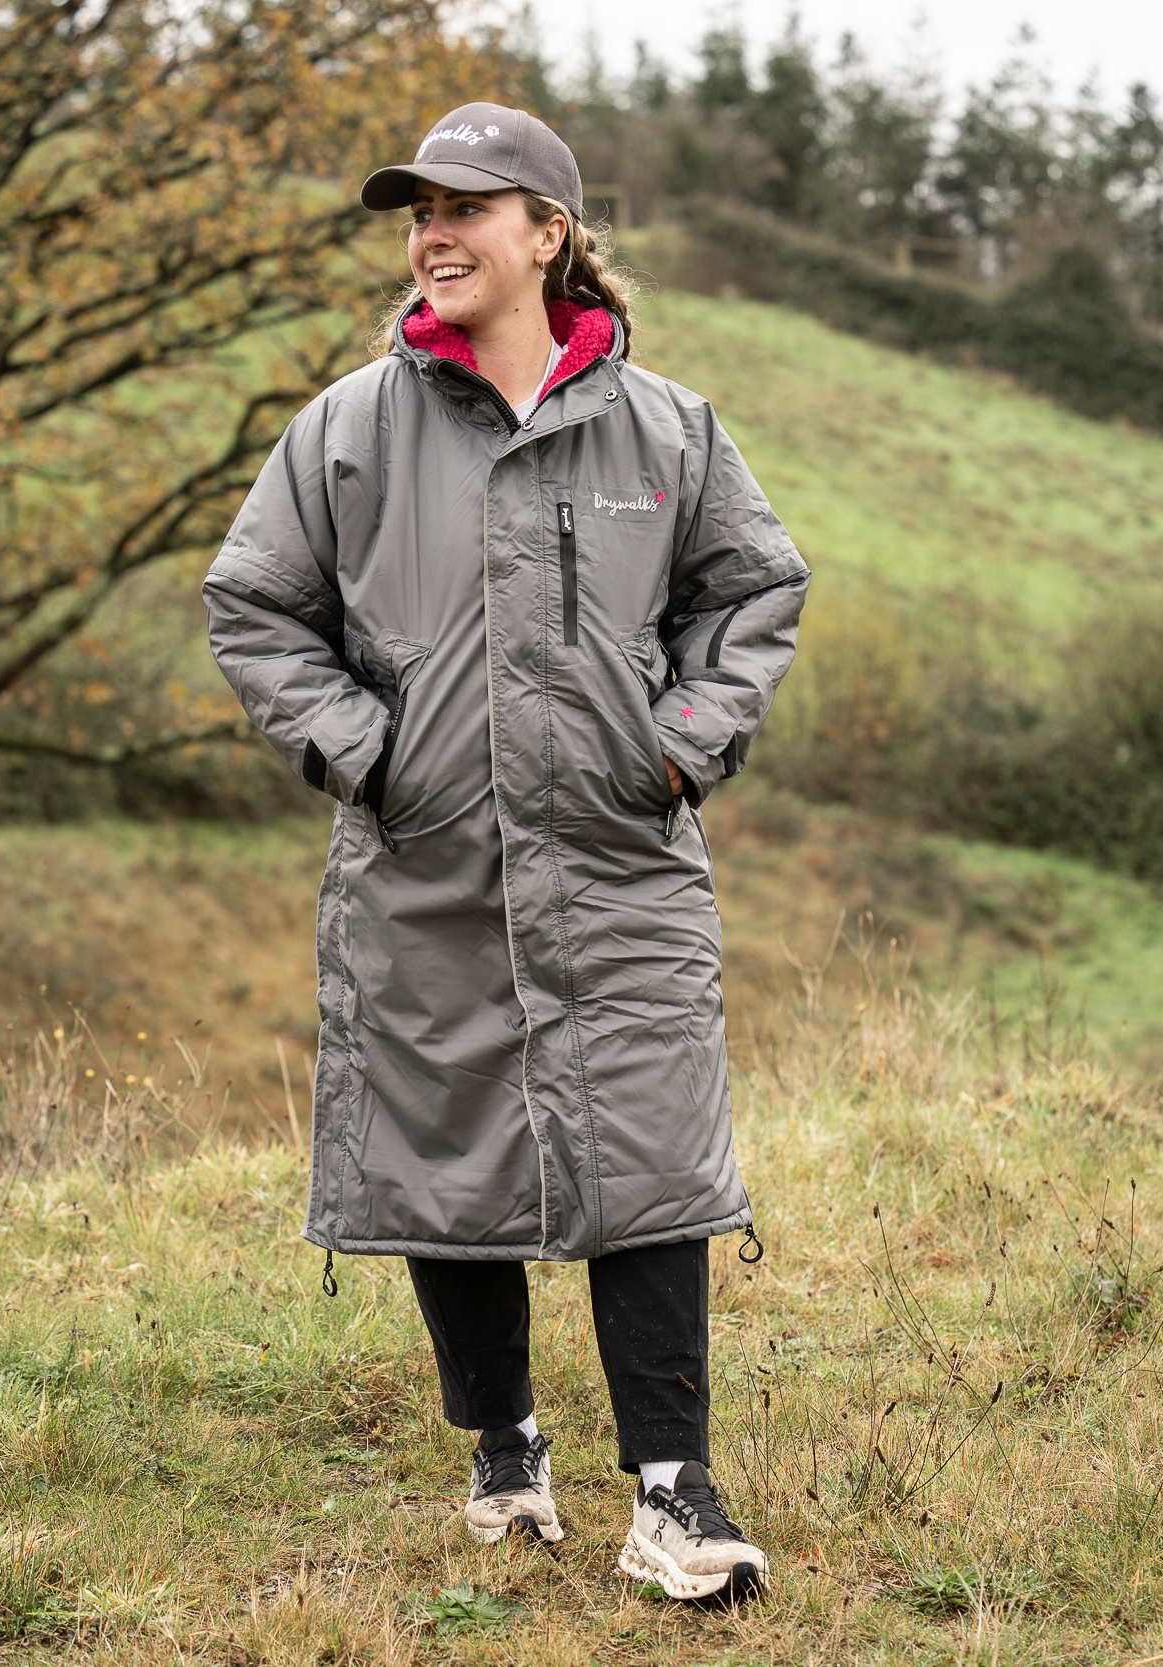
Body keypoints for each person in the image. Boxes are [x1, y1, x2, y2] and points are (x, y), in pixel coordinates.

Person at [204, 102, 809, 1604]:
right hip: (421, 858)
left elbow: (755, 595)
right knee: (443, 1139)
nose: (437, 230)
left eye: (473, 204)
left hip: (618, 858)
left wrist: (676, 743)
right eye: (421, 208)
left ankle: (676, 1487)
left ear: (551, 233)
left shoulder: (667, 429)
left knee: (653, 1147)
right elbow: (254, 608)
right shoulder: (346, 428)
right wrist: (369, 751)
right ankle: (503, 1440)